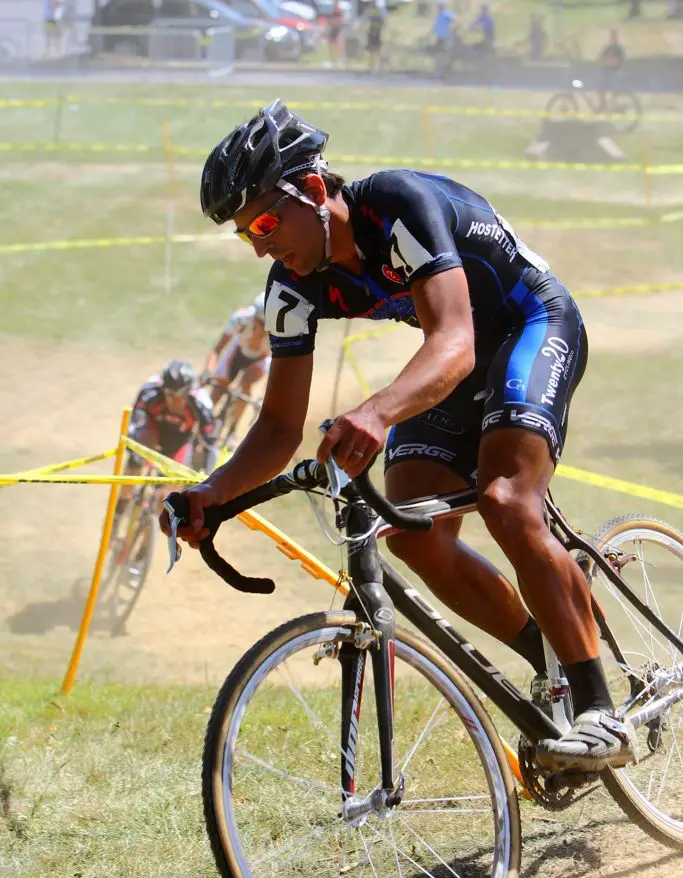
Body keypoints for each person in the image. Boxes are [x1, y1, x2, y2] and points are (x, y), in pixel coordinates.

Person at [162, 100, 637, 773]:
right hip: (459, 360)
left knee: (505, 501)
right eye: (247, 235)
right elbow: (276, 426)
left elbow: (454, 339)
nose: (262, 245)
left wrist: (377, 413)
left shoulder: (397, 205)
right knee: (410, 529)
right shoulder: (291, 286)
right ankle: (550, 667)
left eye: (266, 221)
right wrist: (211, 492)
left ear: (316, 190)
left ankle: (598, 713)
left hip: (530, 326)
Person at [117, 359, 218, 517]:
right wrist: (134, 449)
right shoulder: (149, 392)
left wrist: (210, 478)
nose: (174, 402)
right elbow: (136, 425)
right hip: (152, 428)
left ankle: (150, 529)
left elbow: (211, 445)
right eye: (169, 395)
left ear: (189, 392)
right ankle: (118, 512)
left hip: (179, 440)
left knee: (170, 493)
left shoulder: (201, 404)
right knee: (135, 463)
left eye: (180, 397)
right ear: (162, 389)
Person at [203, 292, 271, 449]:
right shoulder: (241, 319)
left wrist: (263, 398)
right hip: (237, 352)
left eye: (267, 326)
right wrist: (208, 372)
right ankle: (203, 424)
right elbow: (217, 349)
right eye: (259, 322)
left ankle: (232, 429)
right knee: (217, 389)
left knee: (246, 383)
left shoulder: (277, 336)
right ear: (253, 317)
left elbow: (275, 373)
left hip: (260, 359)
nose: (261, 330)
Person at [597, 29, 626, 113]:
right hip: (605, 71)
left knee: (608, 88)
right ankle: (602, 104)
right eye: (612, 36)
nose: (613, 38)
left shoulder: (618, 49)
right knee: (599, 85)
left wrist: (608, 62)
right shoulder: (607, 48)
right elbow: (601, 58)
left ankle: (607, 106)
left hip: (614, 72)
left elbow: (618, 62)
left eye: (614, 36)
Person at [365, 2, 385, 74]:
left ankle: (378, 66)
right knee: (373, 50)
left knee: (376, 50)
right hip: (373, 32)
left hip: (375, 32)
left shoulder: (376, 11)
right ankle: (373, 67)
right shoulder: (374, 11)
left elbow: (382, 22)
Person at [325, 2, 346, 68]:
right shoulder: (332, 14)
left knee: (339, 45)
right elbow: (329, 22)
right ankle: (332, 60)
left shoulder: (340, 14)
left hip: (338, 30)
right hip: (333, 30)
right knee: (331, 45)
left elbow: (342, 22)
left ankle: (340, 60)